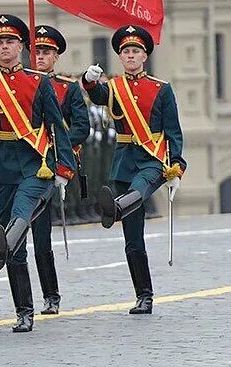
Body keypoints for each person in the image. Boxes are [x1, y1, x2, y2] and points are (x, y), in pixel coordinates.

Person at [0, 14, 77, 333]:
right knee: (7, 236)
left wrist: (64, 167)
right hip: (1, 163)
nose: (4, 47)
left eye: (10, 42)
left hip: (33, 162)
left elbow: (55, 124)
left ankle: (24, 311)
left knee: (19, 220)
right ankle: (20, 305)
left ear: (21, 46)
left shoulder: (39, 81)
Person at [81, 24, 185, 315]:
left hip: (152, 159)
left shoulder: (161, 89)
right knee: (133, 241)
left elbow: (173, 131)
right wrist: (89, 81)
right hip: (124, 161)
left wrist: (176, 168)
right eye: (125, 51)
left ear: (144, 56)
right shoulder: (114, 87)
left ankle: (113, 209)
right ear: (120, 56)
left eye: (135, 51)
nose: (130, 55)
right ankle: (144, 295)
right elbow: (99, 96)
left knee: (141, 189)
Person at [30, 25, 90, 314]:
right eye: (37, 51)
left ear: (56, 57)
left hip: (49, 164)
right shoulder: (18, 84)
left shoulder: (67, 89)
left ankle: (50, 295)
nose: (41, 56)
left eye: (46, 52)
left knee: (41, 237)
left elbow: (81, 127)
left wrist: (58, 148)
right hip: (19, 162)